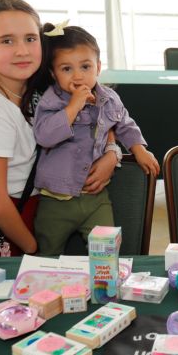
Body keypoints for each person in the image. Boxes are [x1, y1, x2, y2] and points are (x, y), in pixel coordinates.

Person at [0, 0, 117, 257]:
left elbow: (103, 114)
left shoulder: (38, 90)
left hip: (29, 209)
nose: (22, 50)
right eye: (7, 41)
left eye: (30, 38)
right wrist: (32, 247)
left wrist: (111, 152)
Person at [32, 22, 160, 255]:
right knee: (47, 253)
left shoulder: (109, 98)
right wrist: (72, 108)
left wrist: (139, 148)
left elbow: (124, 124)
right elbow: (44, 136)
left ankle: (106, 286)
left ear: (98, 67)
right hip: (55, 199)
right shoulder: (51, 102)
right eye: (66, 69)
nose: (78, 75)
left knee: (106, 251)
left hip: (95, 198)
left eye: (85, 66)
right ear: (53, 73)